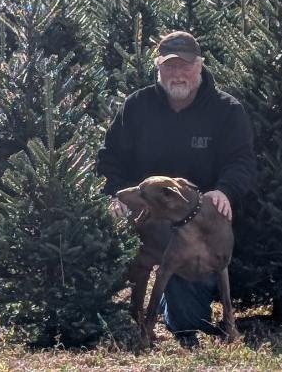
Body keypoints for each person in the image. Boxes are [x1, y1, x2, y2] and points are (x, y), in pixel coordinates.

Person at [96, 29, 256, 348]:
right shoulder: (137, 106)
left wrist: (225, 190)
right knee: (114, 258)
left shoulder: (226, 110)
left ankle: (178, 303)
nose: (177, 74)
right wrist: (116, 193)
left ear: (199, 66)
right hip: (146, 215)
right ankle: (124, 314)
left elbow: (241, 161)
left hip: (196, 221)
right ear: (158, 68)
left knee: (187, 322)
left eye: (185, 65)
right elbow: (109, 158)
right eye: (169, 66)